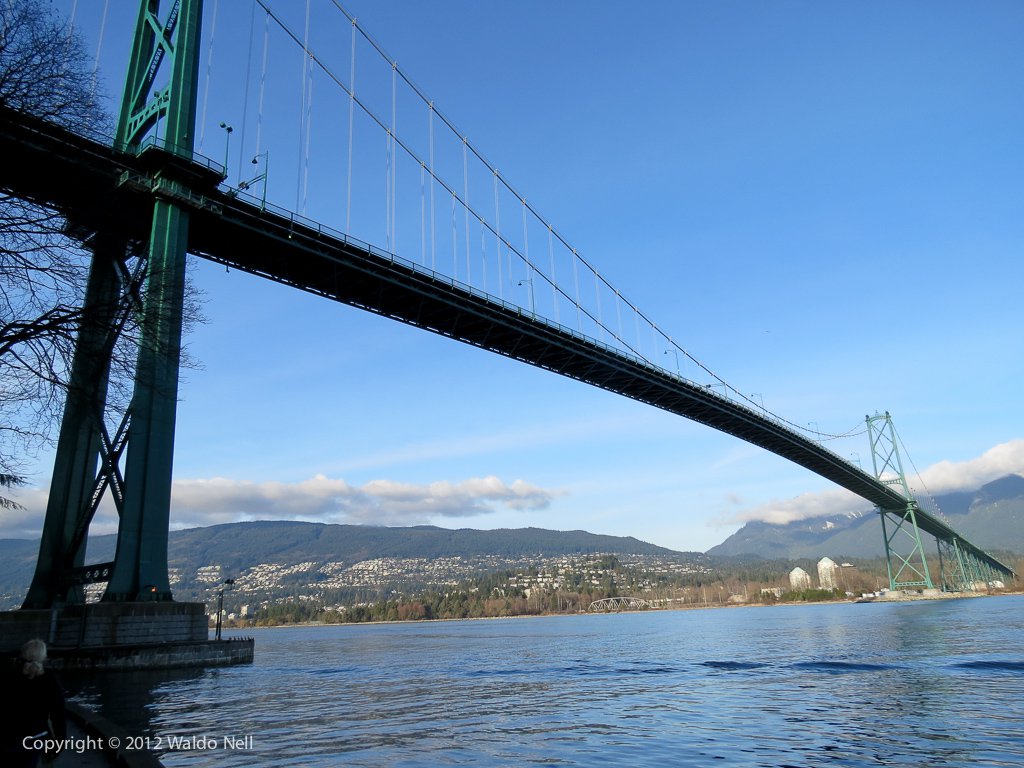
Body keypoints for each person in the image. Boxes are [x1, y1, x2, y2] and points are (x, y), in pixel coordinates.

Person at [1, 639, 67, 767]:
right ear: (44, 657)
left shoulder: (6, 675)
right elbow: (58, 715)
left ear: (22, 655)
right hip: (34, 737)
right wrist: (59, 742)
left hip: (6, 738)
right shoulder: (50, 680)